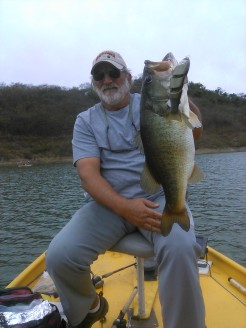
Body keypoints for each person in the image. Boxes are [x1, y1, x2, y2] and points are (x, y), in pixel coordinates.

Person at [46, 50, 205, 328]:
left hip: (159, 197)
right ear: (94, 82)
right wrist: (125, 208)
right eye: (99, 75)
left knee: (181, 248)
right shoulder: (85, 121)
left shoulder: (150, 102)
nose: (107, 80)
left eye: (114, 73)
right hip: (108, 206)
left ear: (129, 78)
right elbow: (88, 175)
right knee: (60, 256)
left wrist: (181, 95)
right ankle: (90, 307)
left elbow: (194, 134)